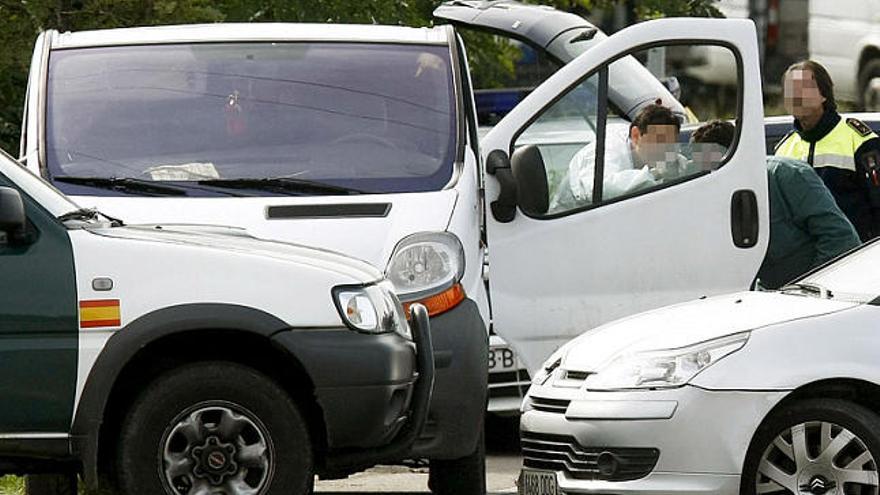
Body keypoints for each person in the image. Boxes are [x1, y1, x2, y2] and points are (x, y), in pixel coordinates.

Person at [694, 120, 861, 289]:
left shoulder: (787, 175)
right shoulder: (716, 195)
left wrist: (807, 287)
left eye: (710, 166)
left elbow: (841, 238)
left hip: (817, 295)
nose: (706, 176)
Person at [774, 60, 880, 241]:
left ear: (824, 94)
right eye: (790, 90)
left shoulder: (859, 140)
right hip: (808, 261)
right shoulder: (783, 149)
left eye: (802, 88)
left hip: (853, 254)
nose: (795, 96)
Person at [551, 103, 687, 211]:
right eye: (660, 141)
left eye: (670, 143)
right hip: (569, 223)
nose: (665, 150)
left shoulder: (640, 148)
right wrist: (654, 175)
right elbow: (597, 189)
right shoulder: (609, 150)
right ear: (636, 135)